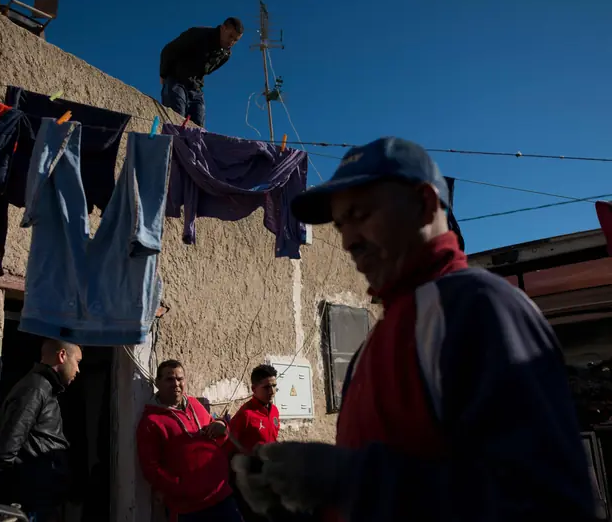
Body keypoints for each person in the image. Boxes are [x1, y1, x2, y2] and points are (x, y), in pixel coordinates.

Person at [232, 137, 597, 521]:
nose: (348, 241)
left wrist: (350, 480)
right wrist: (309, 505)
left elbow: (550, 503)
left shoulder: (474, 308)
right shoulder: (378, 340)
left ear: (424, 204)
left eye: (362, 214)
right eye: (341, 225)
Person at [0, 339, 82, 522]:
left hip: (42, 498)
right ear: (62, 356)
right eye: (77, 362)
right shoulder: (35, 388)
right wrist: (9, 498)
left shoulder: (46, 389)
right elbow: (8, 445)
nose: (78, 370)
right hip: (31, 502)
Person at [137, 359, 241, 522]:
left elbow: (215, 433)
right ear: (157, 383)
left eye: (180, 379)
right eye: (169, 379)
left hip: (221, 496)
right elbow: (151, 468)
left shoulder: (193, 403)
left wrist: (221, 426)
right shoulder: (151, 421)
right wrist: (182, 487)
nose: (176, 384)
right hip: (189, 508)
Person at [159, 17, 244, 127]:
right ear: (223, 28)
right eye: (230, 36)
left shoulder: (225, 55)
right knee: (176, 117)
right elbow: (168, 50)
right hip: (176, 80)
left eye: (236, 40)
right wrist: (163, 74)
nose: (231, 42)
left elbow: (208, 71)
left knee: (198, 125)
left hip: (195, 87)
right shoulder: (198, 34)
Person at [227, 365, 280, 522]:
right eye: (266, 387)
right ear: (254, 389)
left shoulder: (275, 411)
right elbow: (229, 447)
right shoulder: (245, 415)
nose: (272, 391)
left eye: (274, 386)